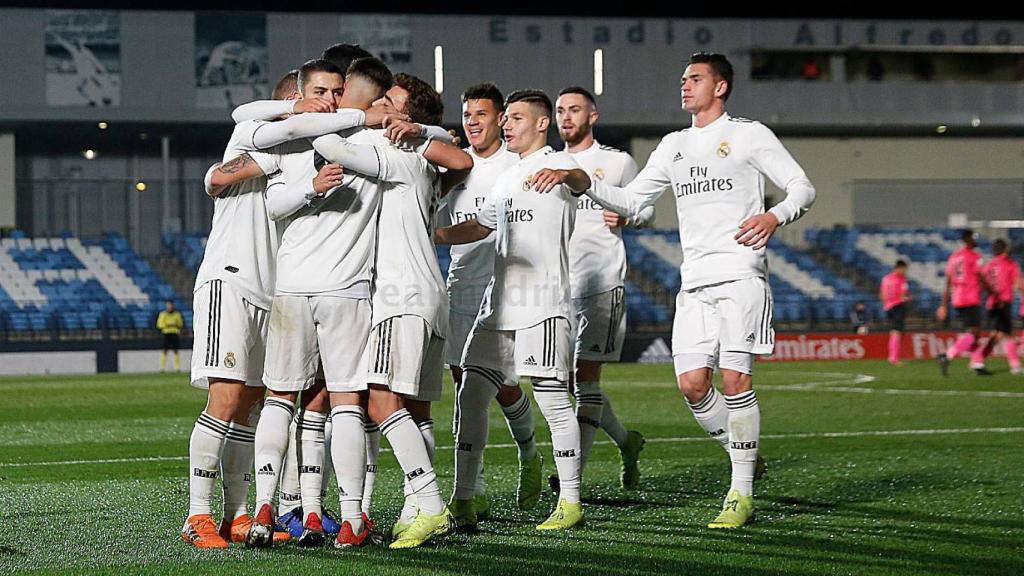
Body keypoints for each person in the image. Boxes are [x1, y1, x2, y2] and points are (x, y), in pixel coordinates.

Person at [580, 52, 816, 529]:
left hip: (741, 273)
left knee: (736, 381)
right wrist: (581, 181)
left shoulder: (748, 135)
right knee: (692, 385)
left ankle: (740, 493)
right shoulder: (673, 145)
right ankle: (743, 457)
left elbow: (802, 187)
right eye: (683, 79)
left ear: (721, 87)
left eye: (695, 79)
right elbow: (631, 200)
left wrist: (774, 216)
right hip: (695, 281)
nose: (685, 86)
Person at [312, 72, 473, 546]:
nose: (381, 106)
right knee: (415, 410)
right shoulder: (419, 156)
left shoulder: (396, 152)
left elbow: (329, 145)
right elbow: (459, 161)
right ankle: (413, 507)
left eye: (391, 102)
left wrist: (353, 116)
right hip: (427, 295)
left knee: (379, 401)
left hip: (399, 297)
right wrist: (428, 133)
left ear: (406, 119)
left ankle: (431, 504)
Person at [436, 89, 592, 531]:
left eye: (517, 118)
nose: (509, 125)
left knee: (552, 400)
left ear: (542, 124)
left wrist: (567, 176)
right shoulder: (506, 177)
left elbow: (582, 182)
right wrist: (432, 232)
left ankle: (571, 502)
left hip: (542, 305)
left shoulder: (560, 164)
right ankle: (465, 499)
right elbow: (481, 225)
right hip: (498, 305)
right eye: (509, 119)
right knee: (470, 393)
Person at [182, 70, 315, 550]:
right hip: (231, 279)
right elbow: (217, 177)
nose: (328, 104)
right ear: (291, 103)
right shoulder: (252, 134)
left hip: (271, 293)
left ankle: (236, 514)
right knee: (226, 398)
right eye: (318, 95)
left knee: (251, 406)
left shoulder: (307, 157)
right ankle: (197, 514)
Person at [439, 82, 541, 518]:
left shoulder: (514, 166)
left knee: (502, 387)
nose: (472, 122)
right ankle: (472, 489)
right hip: (460, 285)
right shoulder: (453, 168)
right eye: (467, 115)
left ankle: (529, 453)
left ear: (500, 118)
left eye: (481, 114)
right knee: (465, 386)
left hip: (503, 289)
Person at [555, 86, 651, 491]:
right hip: (556, 285)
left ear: (592, 116)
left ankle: (571, 477)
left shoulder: (617, 162)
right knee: (566, 383)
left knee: (587, 379)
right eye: (560, 110)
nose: (566, 117)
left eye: (574, 109)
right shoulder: (546, 162)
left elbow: (646, 208)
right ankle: (627, 441)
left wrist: (628, 219)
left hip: (601, 283)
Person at [937, 230, 994, 376]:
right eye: (974, 238)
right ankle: (947, 355)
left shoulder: (954, 257)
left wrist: (944, 304)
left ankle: (977, 364)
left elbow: (948, 282)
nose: (976, 241)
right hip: (970, 297)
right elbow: (980, 275)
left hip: (957, 299)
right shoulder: (975, 256)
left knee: (974, 333)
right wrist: (992, 292)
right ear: (967, 239)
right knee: (974, 333)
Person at [969, 239, 1020, 374]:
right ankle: (1014, 365)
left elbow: (981, 284)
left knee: (997, 335)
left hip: (991, 303)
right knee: (1007, 334)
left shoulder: (988, 265)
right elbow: (1019, 284)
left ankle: (977, 360)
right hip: (1003, 303)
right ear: (1006, 249)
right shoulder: (1010, 264)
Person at [880, 261, 911, 365]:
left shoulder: (885, 279)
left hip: (888, 307)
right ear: (900, 267)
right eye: (904, 269)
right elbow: (904, 294)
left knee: (894, 331)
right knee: (897, 331)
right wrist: (907, 298)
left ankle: (893, 356)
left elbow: (882, 294)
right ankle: (894, 358)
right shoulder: (902, 279)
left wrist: (886, 305)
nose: (905, 271)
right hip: (898, 306)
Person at [157, 300, 183, 373]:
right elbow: (159, 324)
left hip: (174, 333)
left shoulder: (177, 314)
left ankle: (177, 368)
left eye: (171, 305)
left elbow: (180, 324)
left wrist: (174, 325)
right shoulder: (163, 314)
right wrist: (167, 325)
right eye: (168, 306)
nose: (170, 307)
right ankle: (162, 368)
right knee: (165, 350)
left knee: (176, 351)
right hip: (166, 333)